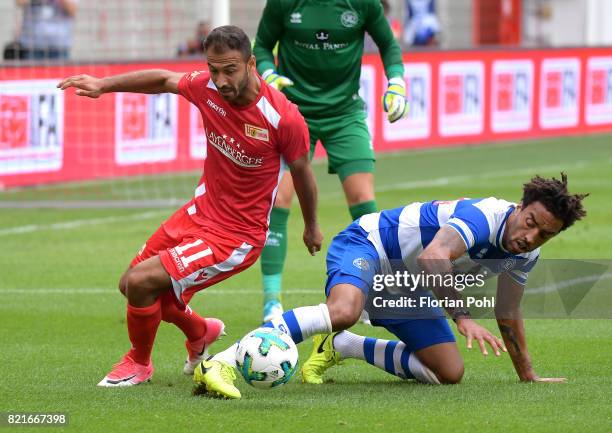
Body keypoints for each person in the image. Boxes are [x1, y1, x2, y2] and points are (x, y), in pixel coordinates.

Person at [57, 25, 323, 387]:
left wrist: (311, 226)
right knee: (131, 285)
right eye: (213, 69)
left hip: (235, 237)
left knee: (142, 282)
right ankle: (201, 332)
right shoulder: (207, 88)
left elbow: (303, 172)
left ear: (251, 64)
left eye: (230, 69)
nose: (220, 79)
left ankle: (138, 363)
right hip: (199, 214)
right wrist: (104, 85)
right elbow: (164, 79)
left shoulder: (282, 117)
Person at [195, 173, 587, 398]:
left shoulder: (524, 254)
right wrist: (463, 317)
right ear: (519, 208)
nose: (531, 237)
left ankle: (343, 345)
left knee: (447, 373)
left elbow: (508, 311)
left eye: (544, 235)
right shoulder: (485, 215)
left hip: (407, 281)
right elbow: (433, 257)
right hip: (370, 244)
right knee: (344, 311)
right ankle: (220, 363)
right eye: (531, 222)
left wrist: (527, 374)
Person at [253, 0, 409, 322]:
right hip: (292, 111)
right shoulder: (284, 3)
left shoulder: (362, 4)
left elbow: (388, 45)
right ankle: (272, 301)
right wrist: (269, 75)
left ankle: (373, 292)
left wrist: (396, 82)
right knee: (278, 200)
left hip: (345, 113)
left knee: (363, 200)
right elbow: (263, 46)